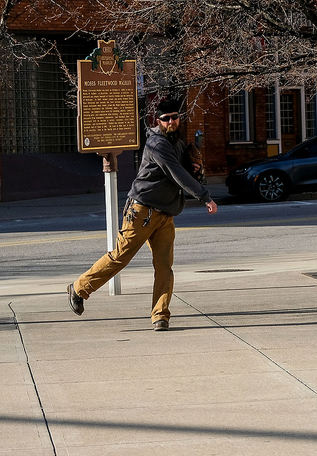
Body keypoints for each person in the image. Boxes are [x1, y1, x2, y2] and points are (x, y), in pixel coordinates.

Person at [67, 99, 218, 331]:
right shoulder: (156, 144)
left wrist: (196, 171)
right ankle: (79, 288)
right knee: (120, 258)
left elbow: (184, 173)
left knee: (164, 266)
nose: (171, 121)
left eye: (175, 117)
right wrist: (204, 196)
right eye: (166, 118)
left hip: (165, 214)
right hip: (141, 211)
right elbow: (176, 173)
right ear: (158, 121)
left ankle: (160, 315)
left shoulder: (177, 144)